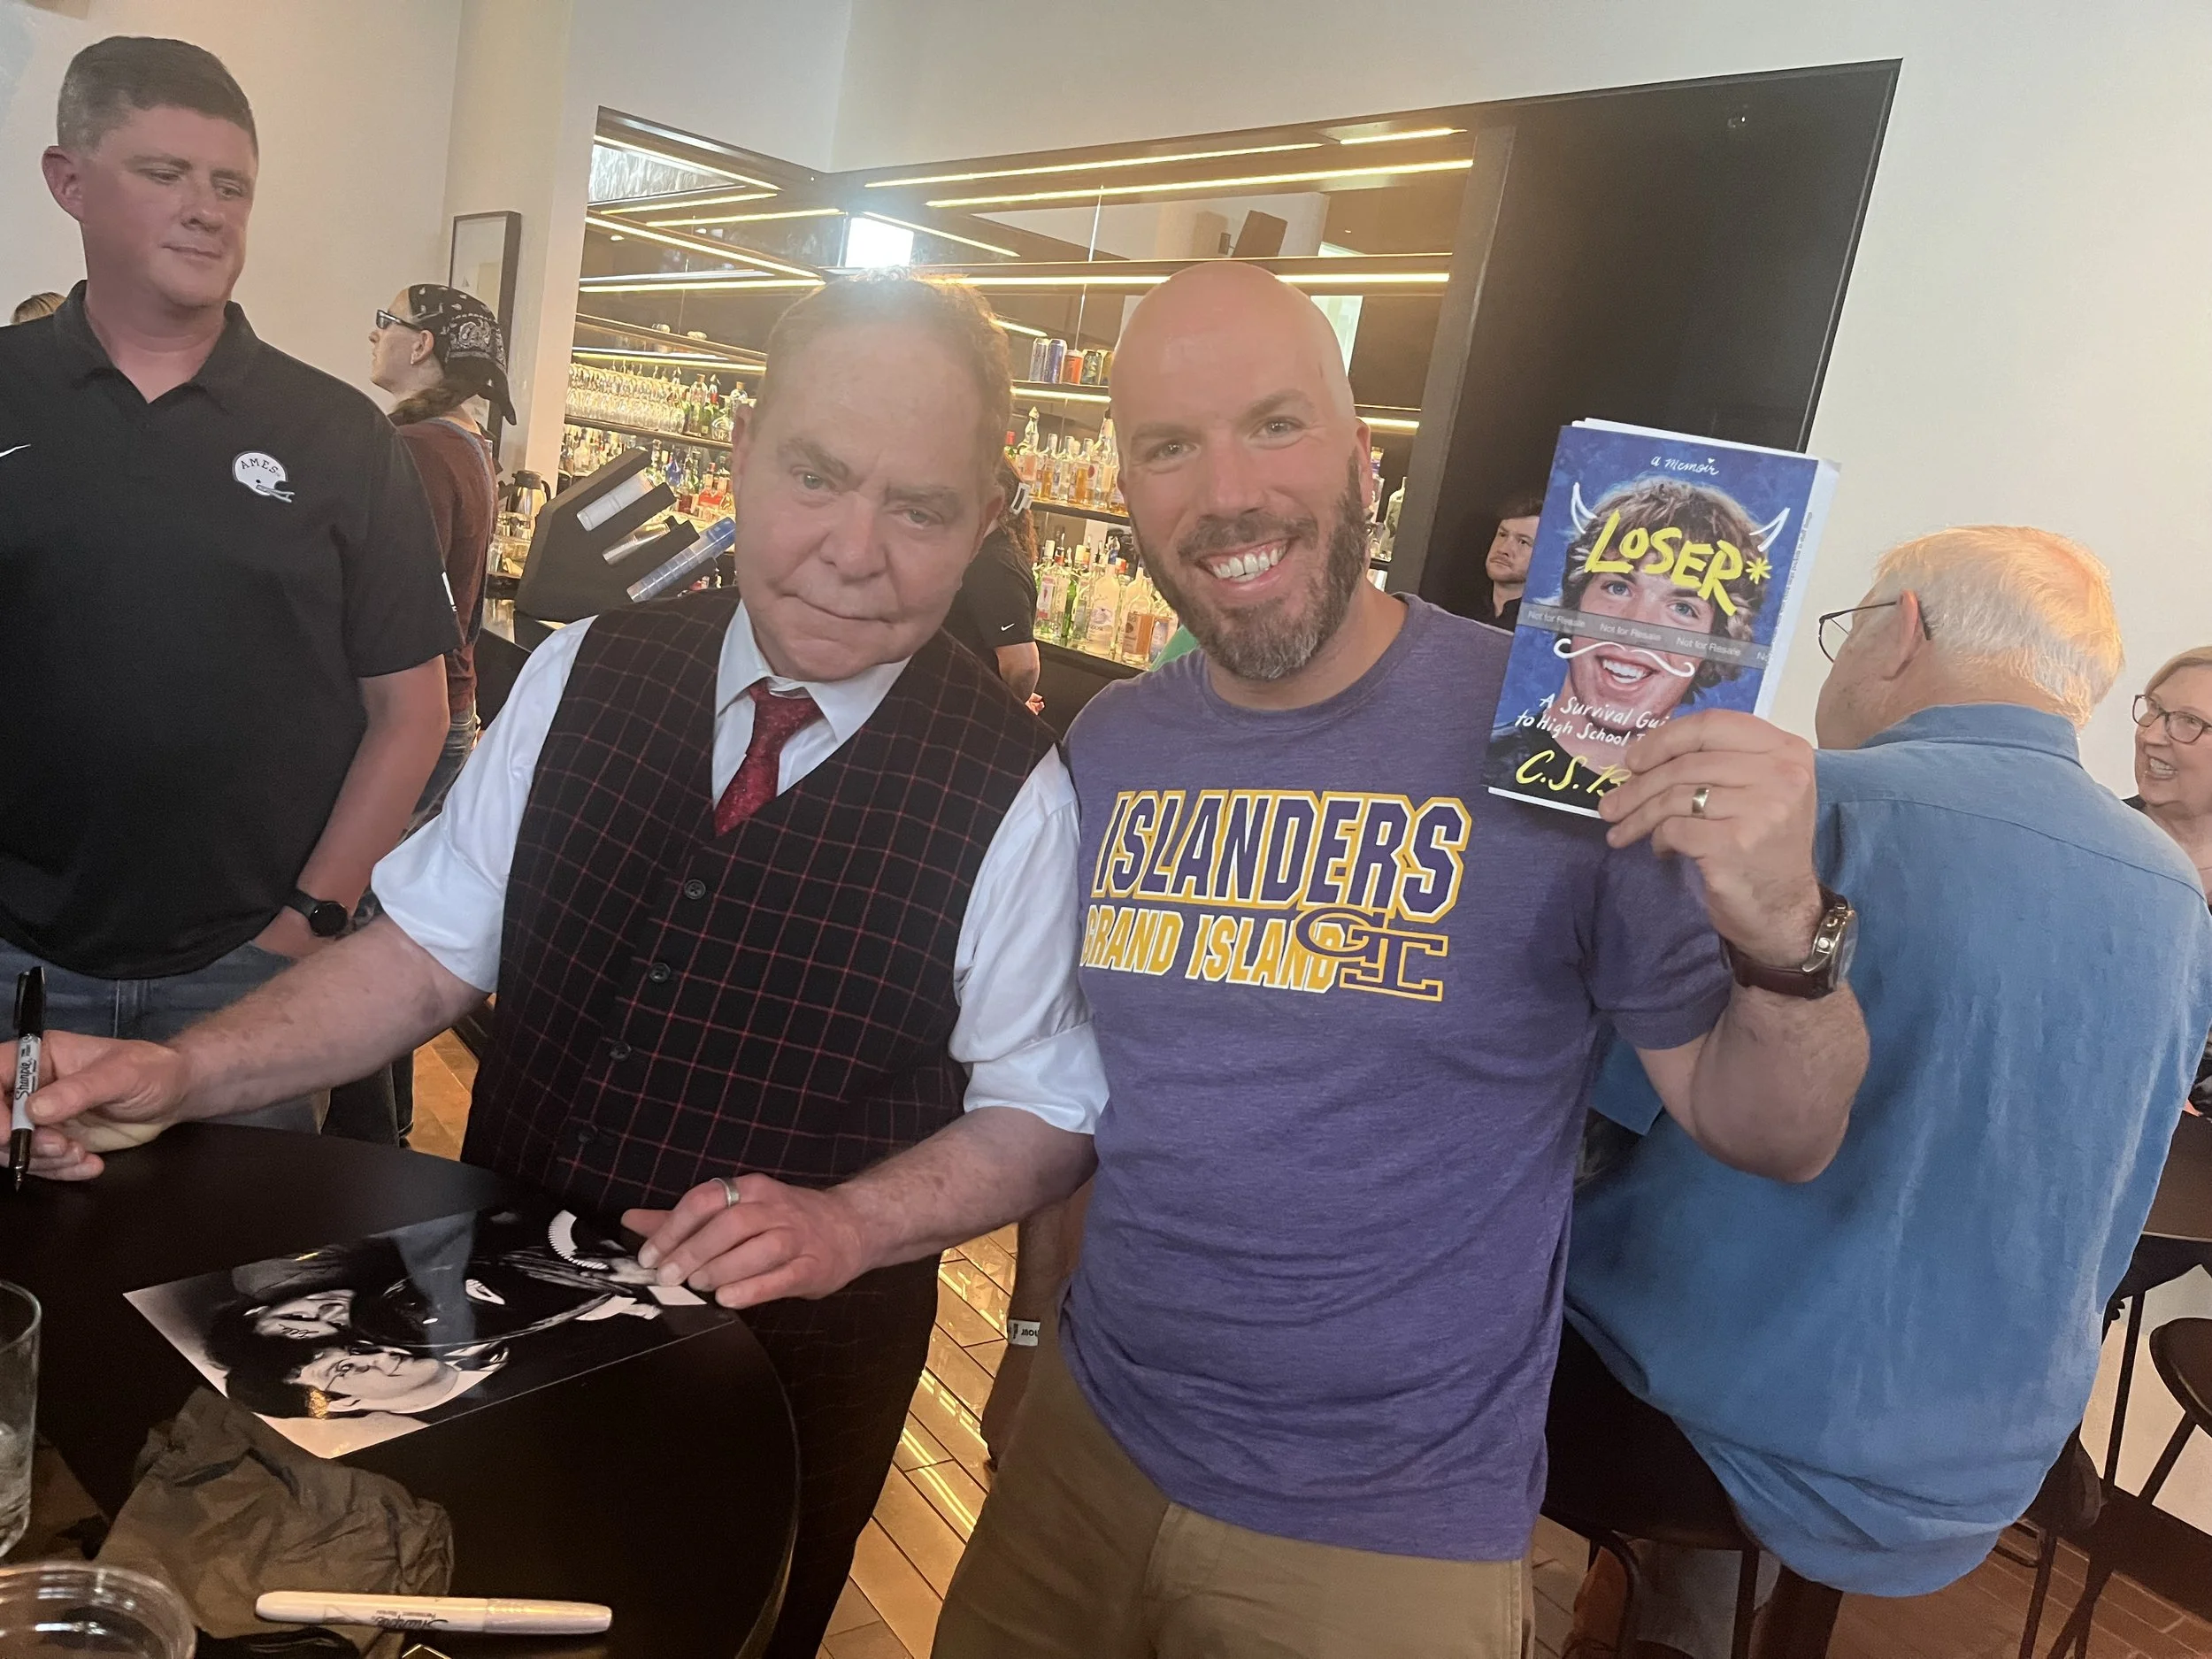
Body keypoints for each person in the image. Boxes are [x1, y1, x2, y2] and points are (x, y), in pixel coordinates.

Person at [17, 273, 1103, 1659]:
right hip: (481, 1316)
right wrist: (188, 1064)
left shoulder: (1018, 790)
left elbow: (1044, 1109)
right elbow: (424, 954)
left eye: (922, 508)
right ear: (741, 456)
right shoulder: (584, 667)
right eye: (818, 476)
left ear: (984, 522)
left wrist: (852, 1225)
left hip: (781, 1385)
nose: (854, 549)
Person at [932, 260, 1869, 1659]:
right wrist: (1020, 1344)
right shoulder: (1111, 747)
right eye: (1168, 446)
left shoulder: (1553, 744)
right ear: (1123, 484)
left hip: (1385, 1530)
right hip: (1085, 1457)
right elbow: (1079, 1097)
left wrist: (1784, 927)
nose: (1227, 490)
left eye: (1275, 423)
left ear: (1364, 456)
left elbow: (1778, 1130)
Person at [1554, 529, 2212, 1659]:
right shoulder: (2173, 894)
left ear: (1897, 631)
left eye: (1847, 629)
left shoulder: (1805, 811)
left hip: (1716, 1418)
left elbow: (1593, 1124)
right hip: (1994, 1451)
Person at [0, 36, 454, 1133]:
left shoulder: (339, 435)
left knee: (241, 1285)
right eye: (164, 174)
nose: (206, 209)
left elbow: (413, 710)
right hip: (15, 957)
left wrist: (309, 922)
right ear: (69, 181)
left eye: (231, 184)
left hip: (248, 973)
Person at [1486, 478, 1770, 787]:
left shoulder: (1703, 800)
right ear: (1574, 602)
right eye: (1618, 587)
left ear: (1713, 644)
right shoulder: (1487, 762)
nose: (1636, 628)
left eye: (1683, 609)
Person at [368, 283, 511, 824]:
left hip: (410, 717)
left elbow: (400, 602)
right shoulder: (467, 439)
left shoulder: (419, 448)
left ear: (422, 344)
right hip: (445, 707)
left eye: (387, 319)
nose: (374, 333)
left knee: (351, 899)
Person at [2101, 646, 2212, 1323]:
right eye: (2154, 710)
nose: (2152, 733)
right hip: (2091, 1146)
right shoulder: (2092, 843)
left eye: (2187, 722)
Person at [943, 457, 1045, 711]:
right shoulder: (977, 554)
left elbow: (1024, 665)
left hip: (966, 721)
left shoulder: (994, 567)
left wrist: (1009, 710)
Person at [1484, 488, 1544, 627]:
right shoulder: (1459, 610)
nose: (1503, 549)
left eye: (1523, 542)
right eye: (1503, 535)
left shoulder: (1540, 632)